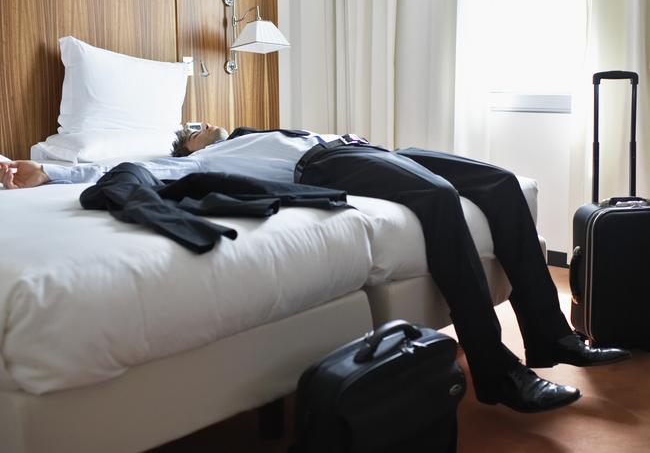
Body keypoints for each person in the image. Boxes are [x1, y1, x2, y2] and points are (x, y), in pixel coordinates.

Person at [1, 124, 631, 413]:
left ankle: (553, 338)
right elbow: (115, 168)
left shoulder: (253, 126)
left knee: (497, 183)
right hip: (326, 168)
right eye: (190, 130)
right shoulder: (195, 158)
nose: (203, 126)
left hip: (368, 146)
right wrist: (46, 172)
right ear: (183, 144)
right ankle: (499, 375)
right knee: (440, 199)